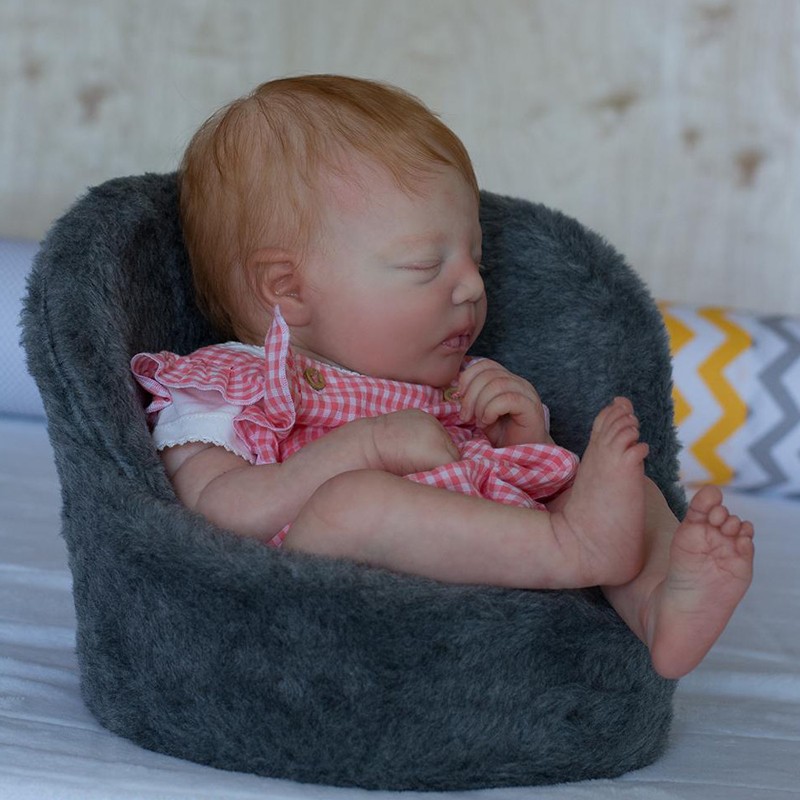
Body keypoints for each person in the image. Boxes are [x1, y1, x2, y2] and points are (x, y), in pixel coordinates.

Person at [131, 75, 754, 680]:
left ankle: (659, 608)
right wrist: (364, 448)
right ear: (287, 290)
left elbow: (519, 485)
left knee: (622, 489)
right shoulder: (229, 384)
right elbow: (216, 511)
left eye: (477, 260)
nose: (473, 287)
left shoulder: (461, 382)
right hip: (329, 591)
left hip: (498, 551)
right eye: (426, 265)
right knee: (354, 505)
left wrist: (526, 442)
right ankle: (575, 549)